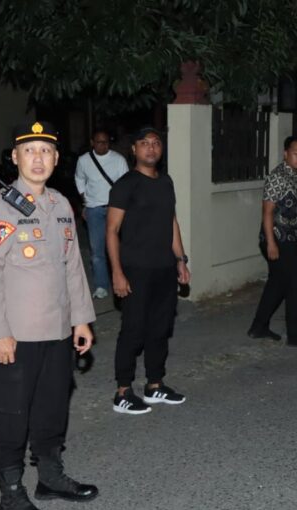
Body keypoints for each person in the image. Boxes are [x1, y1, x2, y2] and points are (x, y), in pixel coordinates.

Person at [0, 121, 98, 510]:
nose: (38, 158)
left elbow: (72, 265)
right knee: (11, 416)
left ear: (57, 158)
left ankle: (50, 477)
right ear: (15, 157)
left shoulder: (61, 205)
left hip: (58, 331)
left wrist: (81, 318)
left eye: (45, 151)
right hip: (16, 335)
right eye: (29, 150)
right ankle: (11, 495)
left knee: (51, 409)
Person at [106, 126, 191, 414]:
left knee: (160, 328)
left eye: (155, 143)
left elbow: (172, 222)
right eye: (144, 143)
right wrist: (117, 272)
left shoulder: (166, 182)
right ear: (134, 149)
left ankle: (155, 385)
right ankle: (122, 391)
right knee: (133, 329)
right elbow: (111, 230)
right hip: (135, 269)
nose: (151, 148)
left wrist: (181, 259)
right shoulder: (126, 185)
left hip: (164, 268)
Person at [248, 136, 297, 348]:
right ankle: (295, 335)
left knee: (277, 284)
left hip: (291, 240)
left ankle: (258, 327)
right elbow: (267, 212)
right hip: (277, 239)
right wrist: (271, 243)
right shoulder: (277, 177)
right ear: (286, 154)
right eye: (296, 153)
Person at [75, 129, 129, 299]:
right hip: (94, 209)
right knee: (97, 250)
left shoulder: (118, 160)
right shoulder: (84, 160)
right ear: (92, 143)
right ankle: (101, 285)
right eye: (99, 142)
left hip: (116, 209)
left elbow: (126, 184)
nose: (102, 145)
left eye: (105, 142)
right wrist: (85, 200)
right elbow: (79, 179)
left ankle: (123, 280)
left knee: (119, 247)